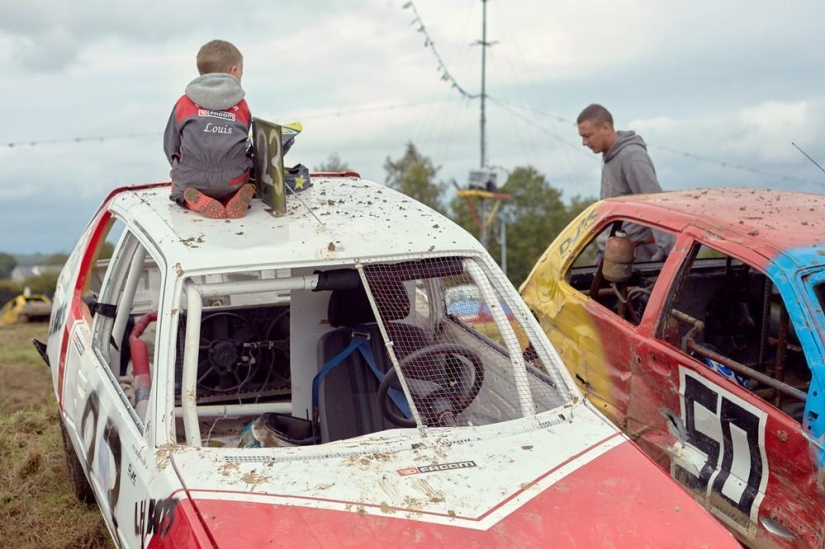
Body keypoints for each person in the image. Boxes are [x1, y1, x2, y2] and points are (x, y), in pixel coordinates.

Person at [164, 39, 255, 219]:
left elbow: (170, 145)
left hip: (192, 179)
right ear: (233, 70)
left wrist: (179, 169)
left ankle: (191, 200)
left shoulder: (184, 103)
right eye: (241, 74)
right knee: (235, 172)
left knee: (179, 188)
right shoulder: (242, 106)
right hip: (232, 179)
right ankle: (231, 197)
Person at [577, 103, 674, 261]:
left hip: (636, 254)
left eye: (587, 136)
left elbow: (655, 202)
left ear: (606, 128)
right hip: (614, 253)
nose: (584, 142)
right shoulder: (609, 155)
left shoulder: (631, 156)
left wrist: (666, 252)